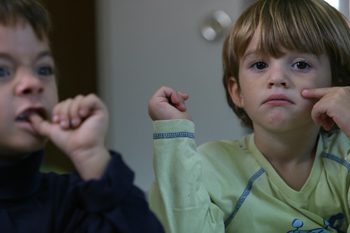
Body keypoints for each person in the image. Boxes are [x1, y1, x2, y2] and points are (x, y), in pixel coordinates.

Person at [148, 0, 350, 232]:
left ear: (337, 85)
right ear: (237, 92)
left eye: (301, 64)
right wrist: (175, 135)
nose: (277, 78)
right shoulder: (210, 166)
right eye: (260, 64)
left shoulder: (346, 156)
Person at [0, 0, 165, 232]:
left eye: (43, 69)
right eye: (2, 70)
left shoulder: (73, 202)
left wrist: (92, 158)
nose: (33, 83)